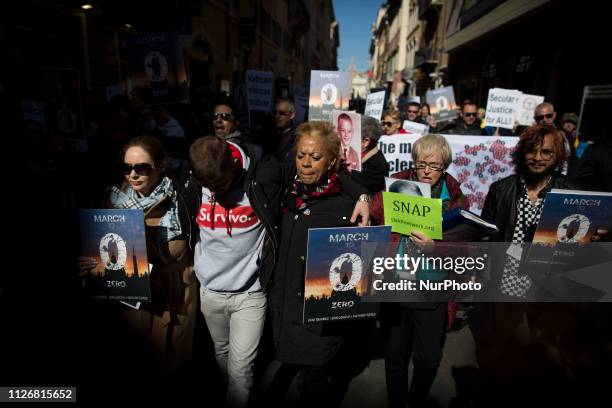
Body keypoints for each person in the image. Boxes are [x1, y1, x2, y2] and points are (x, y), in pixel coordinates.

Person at [184, 135, 370, 407]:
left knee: (242, 370)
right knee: (222, 355)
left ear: (233, 167)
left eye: (220, 185)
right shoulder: (193, 185)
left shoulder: (263, 177)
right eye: (208, 187)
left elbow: (319, 171)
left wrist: (361, 194)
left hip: (252, 293)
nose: (215, 193)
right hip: (212, 292)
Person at [269, 121, 373, 407]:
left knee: (315, 384)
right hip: (283, 306)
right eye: (301, 155)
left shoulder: (344, 207)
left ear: (331, 161)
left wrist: (363, 197)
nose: (305, 163)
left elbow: (358, 268)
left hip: (318, 316)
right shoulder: (286, 194)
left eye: (315, 157)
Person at [83, 135, 198, 376]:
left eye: (142, 168)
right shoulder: (111, 201)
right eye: (127, 168)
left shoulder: (183, 198)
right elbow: (102, 255)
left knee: (171, 366)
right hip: (131, 300)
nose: (133, 174)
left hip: (173, 295)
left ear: (160, 166)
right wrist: (90, 264)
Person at [370, 134, 468, 408]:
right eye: (421, 163)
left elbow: (464, 248)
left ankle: (416, 400)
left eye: (434, 165)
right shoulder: (397, 185)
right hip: (396, 282)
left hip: (432, 288)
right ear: (413, 163)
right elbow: (373, 208)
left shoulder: (456, 198)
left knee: (427, 360)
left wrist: (435, 248)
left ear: (444, 167)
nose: (426, 171)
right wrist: (365, 199)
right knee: (395, 356)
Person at [349, 115, 390, 194]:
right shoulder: (355, 155)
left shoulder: (376, 166)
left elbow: (356, 190)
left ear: (365, 142)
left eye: (352, 136)